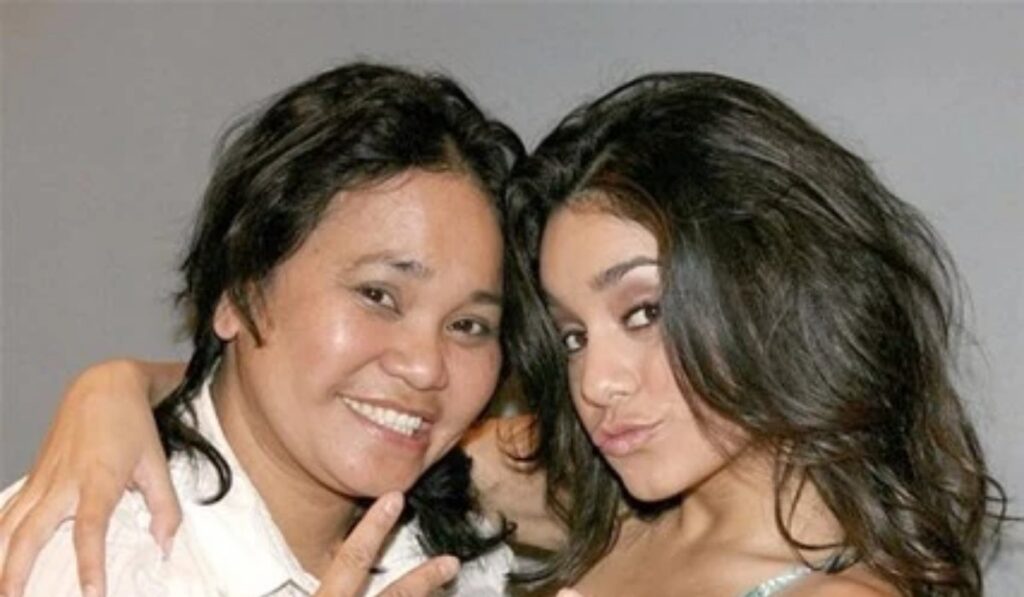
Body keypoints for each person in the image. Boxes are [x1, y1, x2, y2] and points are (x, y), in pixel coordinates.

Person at [1, 72, 1009, 596]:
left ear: (768, 282)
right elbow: (344, 402)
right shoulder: (589, 491)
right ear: (239, 289)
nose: (597, 381)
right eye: (569, 335)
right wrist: (122, 385)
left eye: (642, 311)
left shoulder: (551, 486)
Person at [0, 61, 528, 596]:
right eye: (378, 296)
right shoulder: (92, 560)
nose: (425, 367)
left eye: (468, 325)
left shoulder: (456, 544)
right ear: (242, 289)